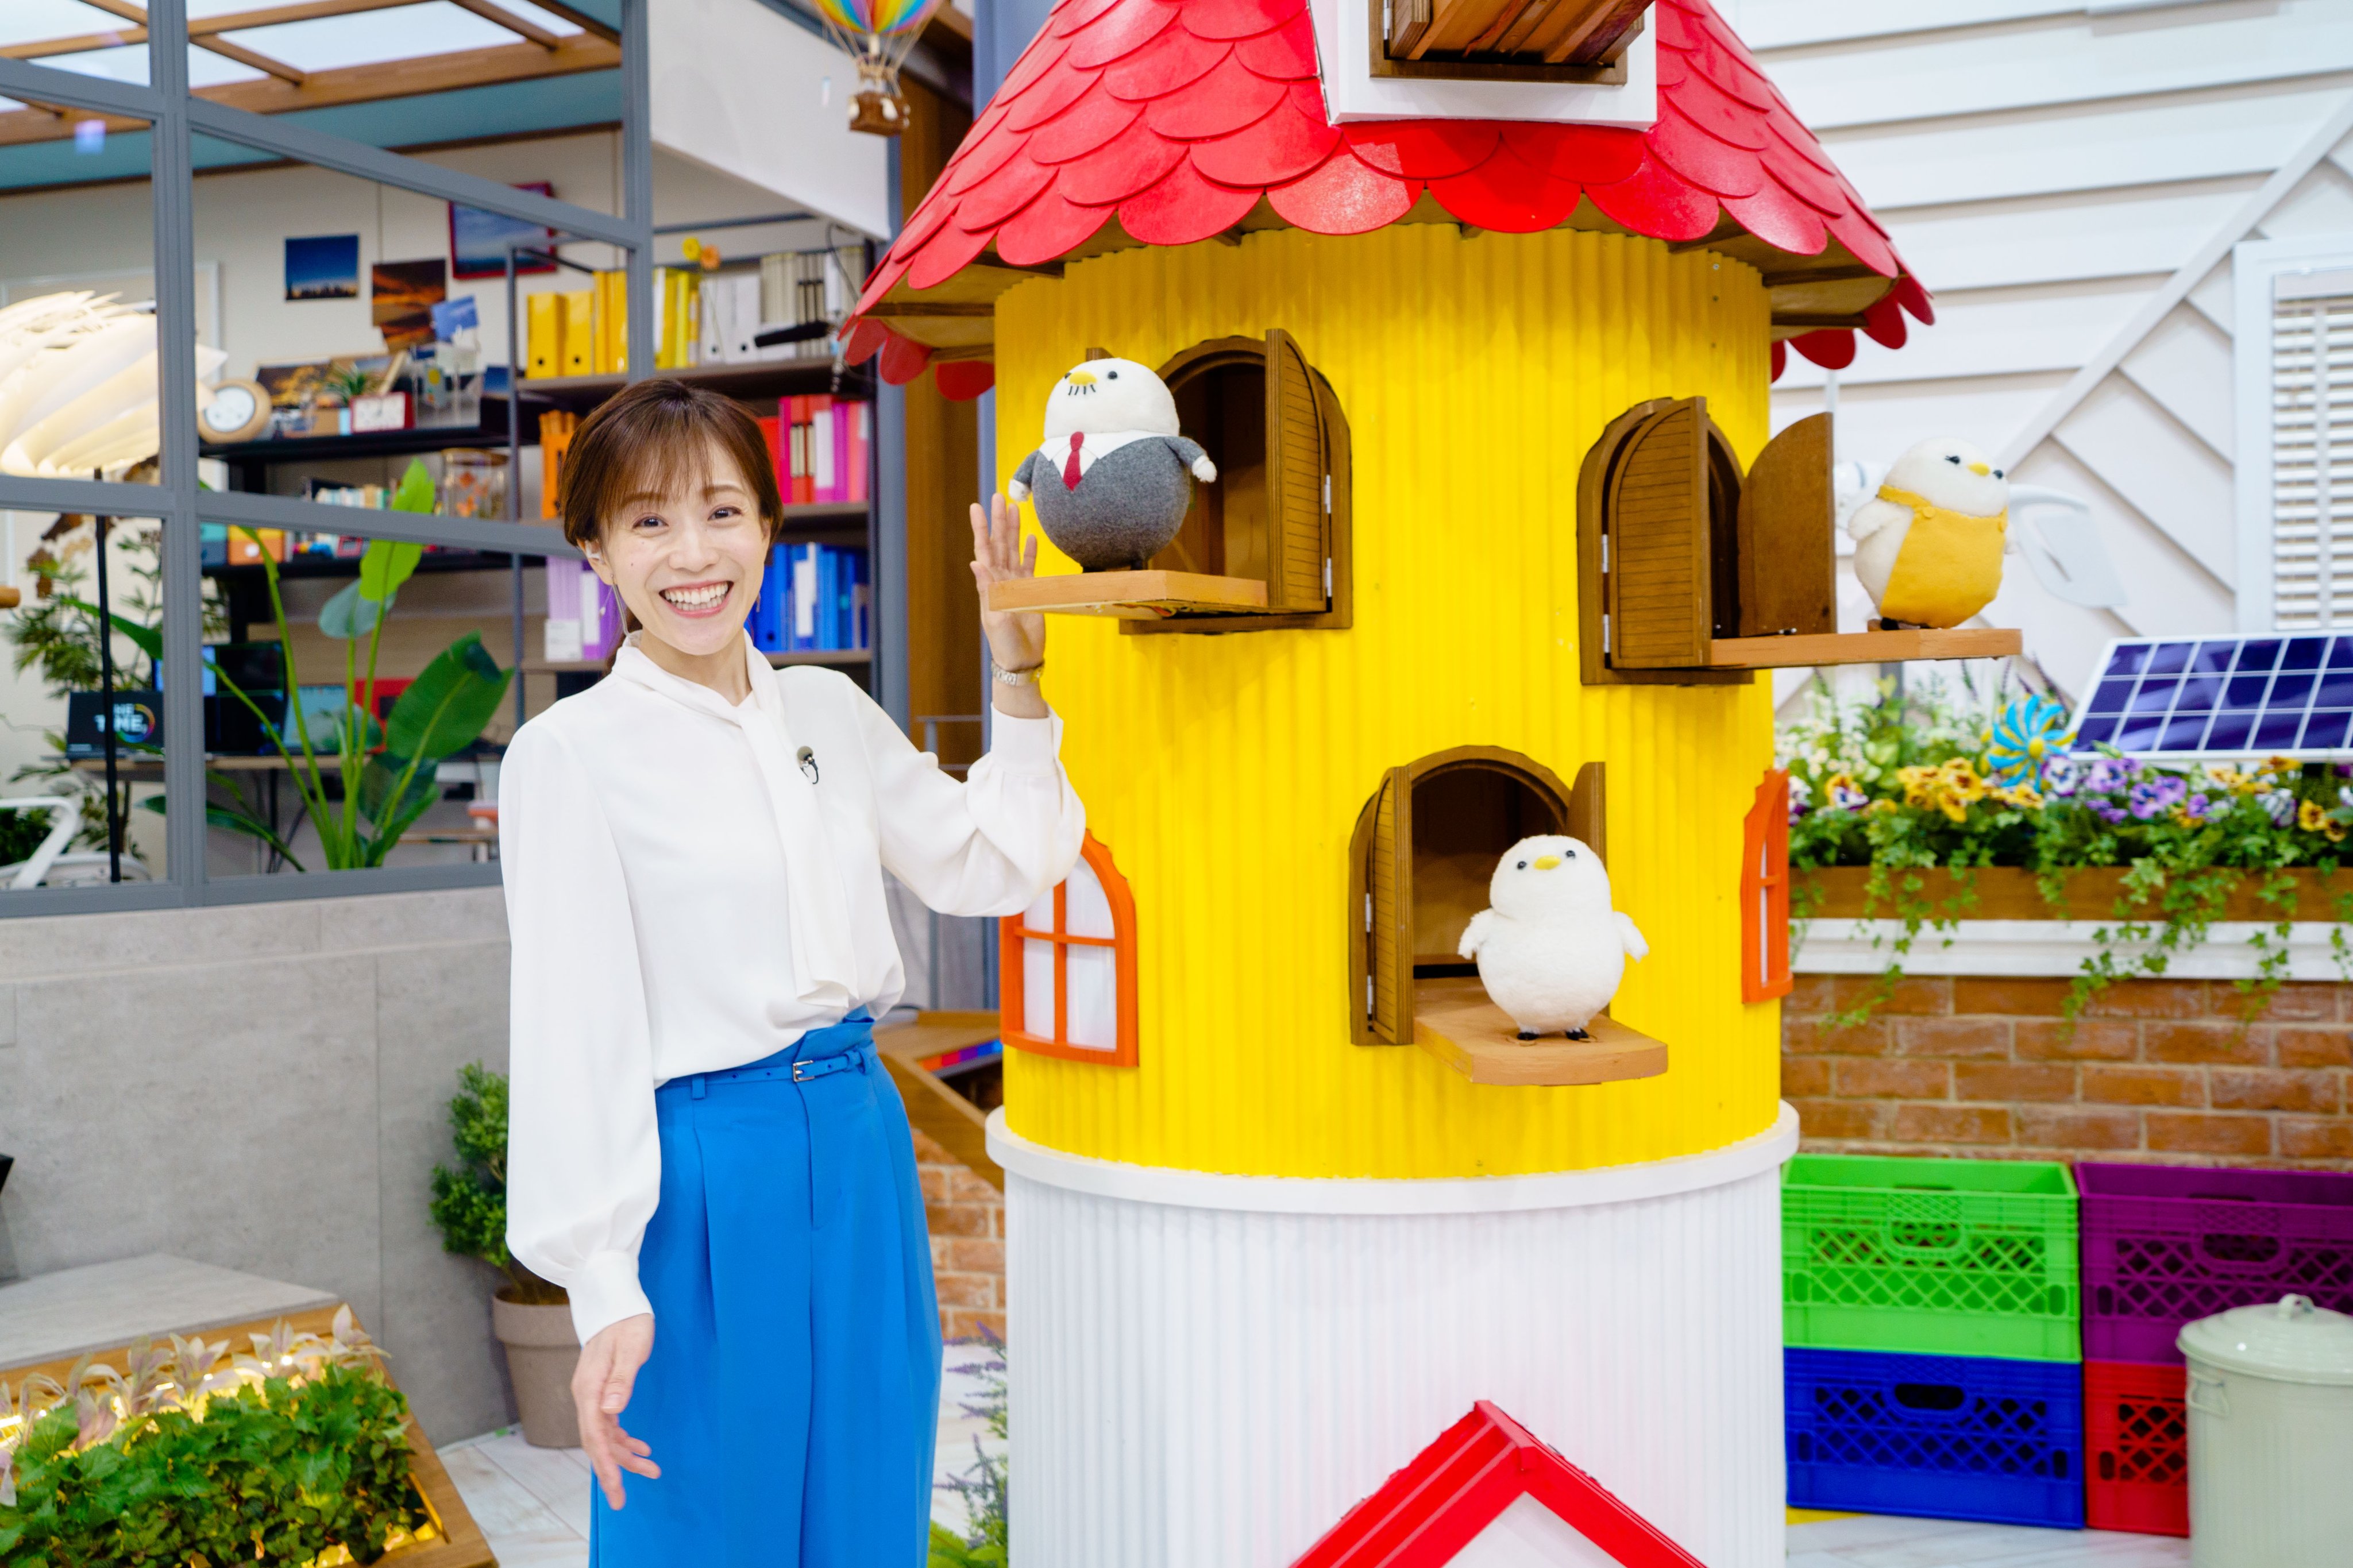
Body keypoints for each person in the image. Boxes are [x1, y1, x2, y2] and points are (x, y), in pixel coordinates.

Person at [498, 377, 1083, 1565]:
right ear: (596, 551)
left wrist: (1018, 681)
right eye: (649, 521)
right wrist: (601, 1279)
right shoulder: (568, 755)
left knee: (867, 1500)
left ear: (769, 527)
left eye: (722, 512)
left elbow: (997, 861)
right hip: (705, 1168)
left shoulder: (828, 709)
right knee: (706, 1520)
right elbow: (572, 1029)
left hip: (861, 1140)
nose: (693, 555)